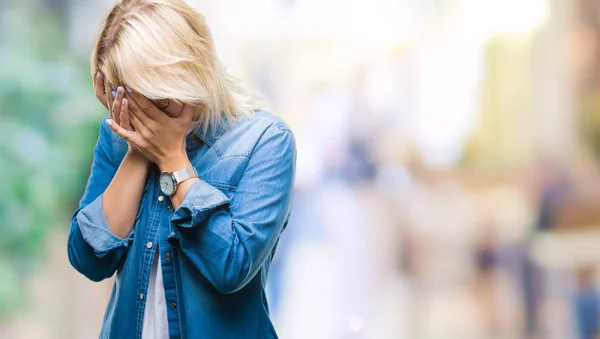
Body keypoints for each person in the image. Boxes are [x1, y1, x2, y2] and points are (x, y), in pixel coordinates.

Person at [66, 1, 296, 338]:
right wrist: (139, 149)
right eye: (128, 92)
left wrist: (174, 160)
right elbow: (89, 259)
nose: (140, 106)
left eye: (152, 92)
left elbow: (231, 267)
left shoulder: (266, 141)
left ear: (189, 70)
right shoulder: (119, 136)